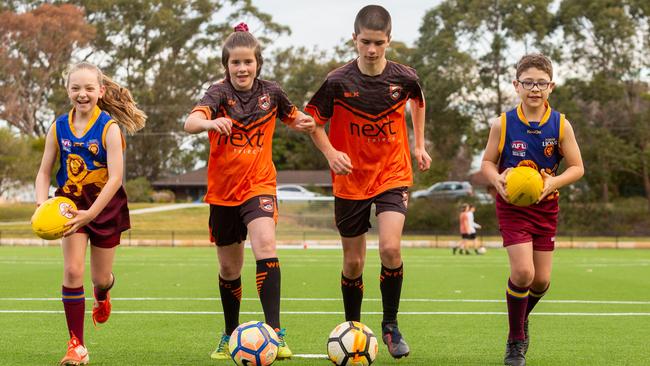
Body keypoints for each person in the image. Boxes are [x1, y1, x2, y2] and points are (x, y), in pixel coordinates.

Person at [183, 22, 315, 361]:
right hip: (223, 194)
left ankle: (275, 332)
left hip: (259, 186)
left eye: (248, 62)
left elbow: (297, 118)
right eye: (235, 63)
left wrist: (312, 122)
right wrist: (211, 123)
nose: (242, 68)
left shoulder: (272, 93)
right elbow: (190, 123)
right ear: (226, 66)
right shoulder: (217, 93)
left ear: (258, 63)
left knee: (266, 245)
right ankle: (229, 334)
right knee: (229, 269)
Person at [305, 5, 431, 359]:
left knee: (390, 249)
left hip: (392, 173)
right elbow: (315, 123)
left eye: (378, 42)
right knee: (354, 263)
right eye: (365, 42)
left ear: (389, 40)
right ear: (354, 39)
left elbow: (418, 102)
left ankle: (390, 326)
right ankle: (353, 330)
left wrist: (418, 144)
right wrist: (331, 153)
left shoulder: (405, 77)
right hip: (350, 179)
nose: (371, 49)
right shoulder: (337, 82)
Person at [34, 61, 146, 365]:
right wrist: (41, 203)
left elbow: (115, 179)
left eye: (88, 88)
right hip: (70, 206)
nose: (81, 94)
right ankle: (77, 346)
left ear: (101, 91)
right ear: (68, 90)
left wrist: (91, 214)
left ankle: (104, 292)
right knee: (72, 271)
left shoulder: (109, 128)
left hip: (105, 208)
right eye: (75, 88)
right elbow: (44, 172)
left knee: (100, 277)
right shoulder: (58, 126)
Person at [481, 53, 584, 366]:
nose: (535, 88)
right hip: (512, 207)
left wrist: (553, 183)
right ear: (516, 85)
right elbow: (486, 162)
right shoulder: (503, 123)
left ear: (551, 86)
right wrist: (497, 178)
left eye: (541, 83)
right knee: (523, 273)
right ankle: (516, 341)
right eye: (528, 83)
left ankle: (521, 317)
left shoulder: (561, 125)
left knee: (540, 281)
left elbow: (577, 168)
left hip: (545, 207)